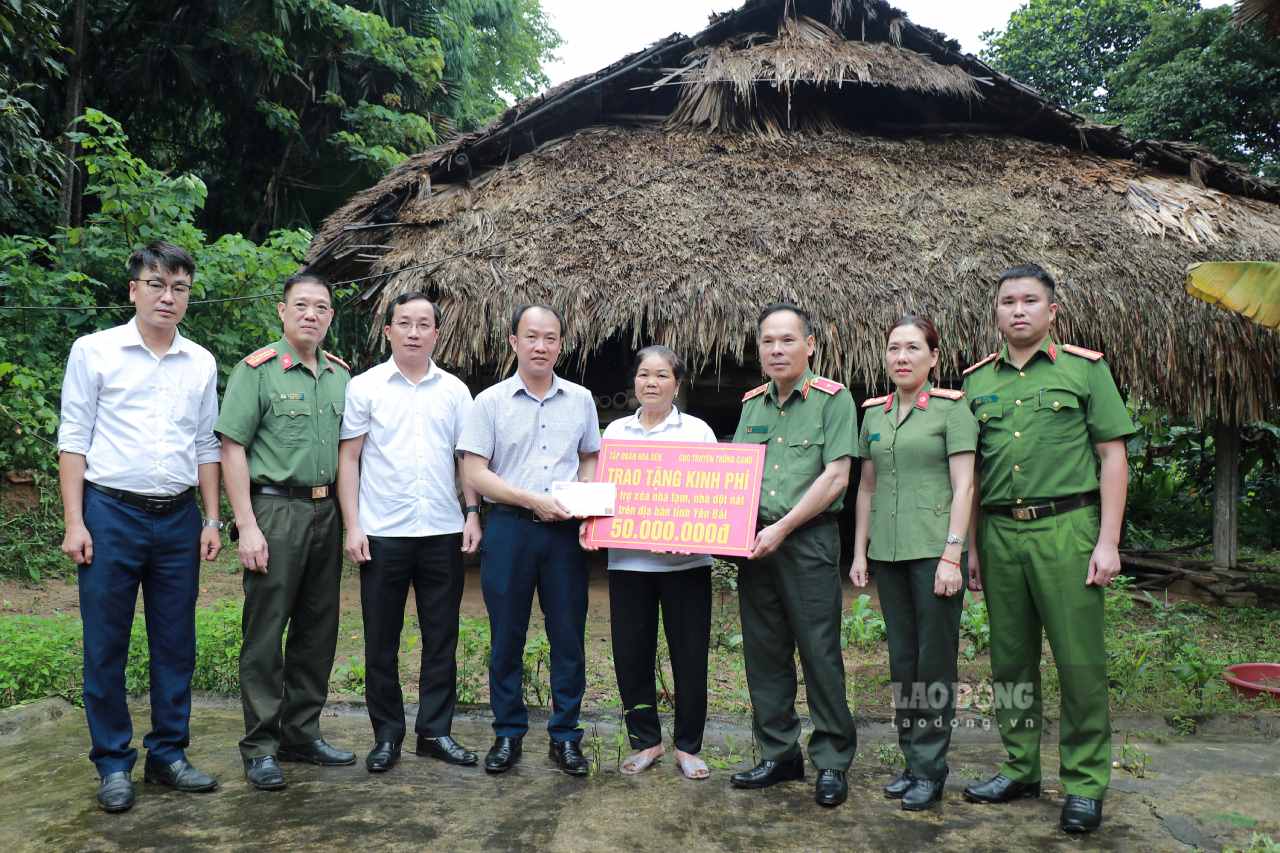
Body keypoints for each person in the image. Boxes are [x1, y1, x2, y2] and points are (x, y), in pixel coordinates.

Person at [960, 264, 1135, 835]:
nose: (1018, 310)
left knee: (1078, 659)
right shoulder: (977, 382)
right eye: (1007, 300)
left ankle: (1084, 783)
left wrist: (1108, 542)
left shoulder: (1085, 371)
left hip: (1068, 528)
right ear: (996, 312)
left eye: (1030, 300)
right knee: (1011, 658)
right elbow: (975, 471)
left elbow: (1113, 457)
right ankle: (1020, 767)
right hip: (1000, 532)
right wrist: (974, 545)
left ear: (1051, 311)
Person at [57, 241, 223, 813]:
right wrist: (75, 521)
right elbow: (74, 439)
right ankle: (112, 762)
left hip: (178, 518)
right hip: (110, 513)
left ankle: (169, 755)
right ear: (134, 290)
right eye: (156, 284)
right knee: (106, 642)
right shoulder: (95, 352)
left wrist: (212, 517)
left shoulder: (200, 362)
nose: (167, 297)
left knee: (176, 642)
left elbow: (206, 445)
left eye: (179, 287)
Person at [216, 272, 354, 790]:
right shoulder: (258, 371)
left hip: (325, 512)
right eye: (302, 305)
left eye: (321, 307)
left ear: (330, 317)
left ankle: (301, 733)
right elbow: (232, 447)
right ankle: (260, 745)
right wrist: (245, 525)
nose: (311, 315)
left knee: (318, 628)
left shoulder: (340, 375)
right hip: (274, 511)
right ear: (282, 311)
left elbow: (348, 454)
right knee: (266, 630)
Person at [337, 292, 482, 773]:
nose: (414, 332)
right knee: (382, 640)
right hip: (383, 532)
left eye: (424, 324)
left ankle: (435, 731)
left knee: (441, 637)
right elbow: (350, 458)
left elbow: (466, 459)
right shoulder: (365, 386)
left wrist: (472, 513)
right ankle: (387, 736)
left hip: (441, 530)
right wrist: (353, 524)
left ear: (437, 333)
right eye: (405, 323)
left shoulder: (455, 391)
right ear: (389, 330)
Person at [457, 303, 600, 777]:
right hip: (510, 529)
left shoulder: (581, 399)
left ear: (561, 344)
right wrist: (526, 499)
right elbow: (474, 469)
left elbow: (589, 458)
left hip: (563, 535)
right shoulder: (490, 402)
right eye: (532, 337)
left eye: (551, 338)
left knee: (568, 635)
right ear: (514, 342)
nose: (541, 346)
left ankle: (565, 737)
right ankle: (508, 733)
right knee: (507, 635)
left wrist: (583, 501)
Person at [730, 303, 858, 808]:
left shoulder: (833, 399)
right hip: (755, 544)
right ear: (759, 350)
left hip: (806, 542)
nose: (777, 349)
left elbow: (837, 477)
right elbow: (735, 477)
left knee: (819, 651)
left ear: (810, 345)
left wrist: (782, 528)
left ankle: (831, 759)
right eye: (768, 341)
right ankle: (780, 754)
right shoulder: (752, 404)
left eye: (787, 340)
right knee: (764, 652)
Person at [848, 314, 977, 811]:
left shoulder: (952, 411)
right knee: (902, 661)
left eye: (912, 349)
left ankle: (931, 769)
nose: (901, 358)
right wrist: (859, 550)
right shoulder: (874, 415)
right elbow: (867, 487)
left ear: (933, 358)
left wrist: (952, 554)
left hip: (933, 553)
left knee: (934, 663)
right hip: (889, 553)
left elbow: (965, 487)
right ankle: (910, 762)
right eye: (893, 349)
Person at [582, 346, 717, 781]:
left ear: (677, 383)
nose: (652, 383)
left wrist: (691, 534)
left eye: (662, 375)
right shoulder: (616, 432)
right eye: (644, 375)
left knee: (690, 657)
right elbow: (602, 493)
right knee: (631, 656)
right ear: (633, 382)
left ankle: (688, 746)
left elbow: (716, 497)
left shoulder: (697, 432)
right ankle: (646, 742)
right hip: (629, 564)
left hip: (686, 566)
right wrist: (590, 523)